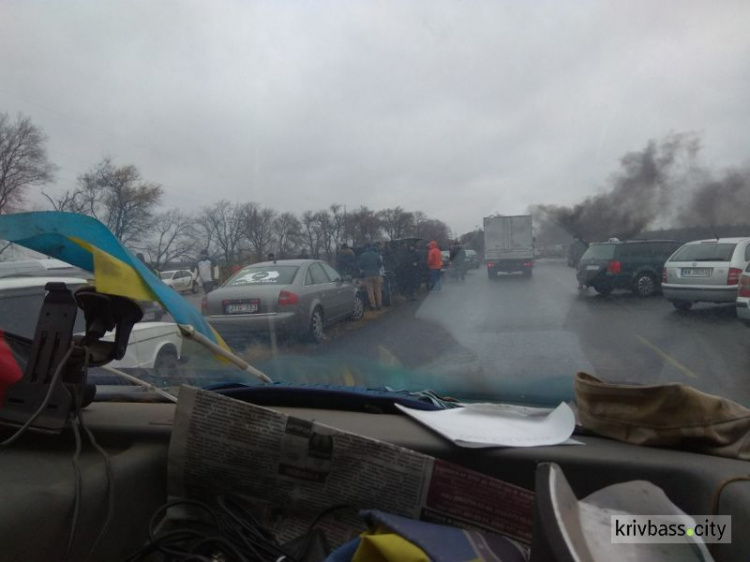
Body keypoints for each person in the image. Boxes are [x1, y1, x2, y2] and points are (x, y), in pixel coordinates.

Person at [358, 244, 383, 310]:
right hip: (376, 274)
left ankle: (373, 305)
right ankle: (379, 304)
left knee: (370, 291)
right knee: (378, 290)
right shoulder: (376, 254)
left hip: (367, 275)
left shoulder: (363, 255)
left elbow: (361, 265)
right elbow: (380, 264)